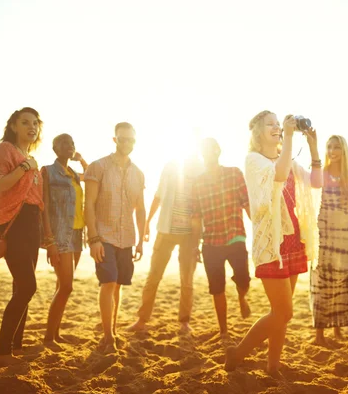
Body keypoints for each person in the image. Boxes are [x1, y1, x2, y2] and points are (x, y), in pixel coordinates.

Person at [225, 111, 322, 375]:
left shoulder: (285, 157)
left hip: (293, 242)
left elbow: (316, 182)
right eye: (271, 124)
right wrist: (289, 137)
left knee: (279, 312)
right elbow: (278, 176)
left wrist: (313, 146)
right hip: (272, 245)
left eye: (279, 124)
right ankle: (239, 353)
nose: (277, 127)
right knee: (284, 313)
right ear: (257, 132)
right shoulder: (253, 160)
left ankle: (272, 366)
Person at [0, 107, 44, 362]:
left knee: (21, 286)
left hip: (32, 225)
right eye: (25, 122)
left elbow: (37, 198)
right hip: (13, 225)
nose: (32, 127)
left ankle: (16, 346)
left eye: (35, 123)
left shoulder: (30, 156)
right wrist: (24, 167)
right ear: (13, 126)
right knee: (28, 287)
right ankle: (2, 351)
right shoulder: (7, 152)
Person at [84, 122, 146, 354]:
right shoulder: (98, 167)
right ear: (115, 140)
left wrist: (140, 239)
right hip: (104, 236)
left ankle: (113, 328)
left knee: (118, 285)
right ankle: (108, 336)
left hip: (127, 238)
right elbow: (88, 204)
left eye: (131, 140)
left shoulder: (138, 174)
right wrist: (93, 239)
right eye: (122, 139)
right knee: (108, 282)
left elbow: (140, 208)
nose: (127, 143)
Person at [127, 154, 203, 334]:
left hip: (189, 236)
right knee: (153, 276)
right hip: (165, 231)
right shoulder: (171, 168)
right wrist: (147, 223)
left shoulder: (201, 170)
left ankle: (184, 322)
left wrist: (200, 238)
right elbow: (158, 196)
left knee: (187, 280)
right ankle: (142, 320)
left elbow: (206, 205)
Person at [310, 135, 348, 346]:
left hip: (347, 237)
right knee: (322, 283)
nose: (332, 151)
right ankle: (319, 334)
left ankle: (336, 329)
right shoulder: (320, 175)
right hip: (323, 237)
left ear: (344, 150)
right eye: (329, 147)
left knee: (342, 283)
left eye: (336, 147)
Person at [191, 138, 252, 337]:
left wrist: (260, 230)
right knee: (217, 288)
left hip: (235, 237)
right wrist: (194, 246)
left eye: (211, 150)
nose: (208, 154)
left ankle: (242, 297)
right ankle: (223, 330)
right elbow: (196, 217)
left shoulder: (234, 173)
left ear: (218, 151)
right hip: (210, 242)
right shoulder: (197, 183)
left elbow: (247, 203)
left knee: (244, 280)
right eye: (204, 151)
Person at [41, 134, 88, 345]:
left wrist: (81, 159)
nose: (69, 146)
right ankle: (49, 338)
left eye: (72, 143)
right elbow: (44, 208)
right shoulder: (47, 172)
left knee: (61, 285)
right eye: (64, 143)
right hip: (60, 235)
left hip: (77, 235)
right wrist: (49, 240)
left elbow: (92, 175)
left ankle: (55, 334)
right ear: (55, 148)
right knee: (67, 287)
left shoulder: (73, 174)